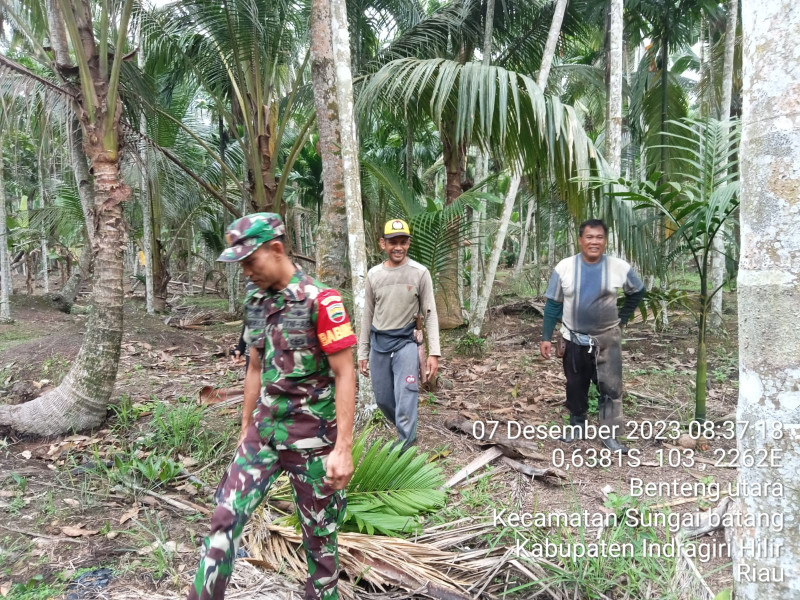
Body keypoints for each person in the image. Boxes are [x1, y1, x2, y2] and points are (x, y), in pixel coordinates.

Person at [187, 213, 357, 600]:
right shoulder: (256, 302)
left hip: (312, 440)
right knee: (225, 518)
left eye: (251, 261)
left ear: (276, 249)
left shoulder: (322, 301)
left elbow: (345, 373)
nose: (246, 272)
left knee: (320, 541)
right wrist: (245, 428)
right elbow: (254, 367)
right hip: (263, 435)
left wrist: (343, 448)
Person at [539, 219, 644, 453]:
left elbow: (638, 291)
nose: (594, 242)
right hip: (573, 340)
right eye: (589, 237)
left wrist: (622, 318)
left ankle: (609, 435)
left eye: (599, 237)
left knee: (611, 388)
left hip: (607, 341)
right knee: (575, 385)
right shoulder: (564, 267)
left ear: (605, 241)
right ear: (580, 240)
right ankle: (577, 425)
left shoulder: (618, 267)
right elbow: (553, 304)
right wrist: (546, 337)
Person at [358, 219, 441, 451]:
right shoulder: (374, 275)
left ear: (408, 243)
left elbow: (430, 313)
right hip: (379, 343)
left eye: (403, 242)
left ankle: (407, 443)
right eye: (393, 242)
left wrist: (434, 353)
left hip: (406, 342)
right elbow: (367, 315)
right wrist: (362, 351)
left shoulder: (420, 273)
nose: (398, 247)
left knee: (406, 394)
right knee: (383, 399)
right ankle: (405, 428)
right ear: (382, 243)